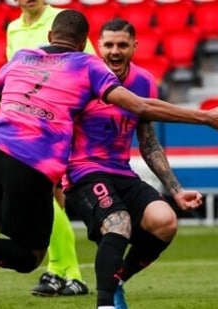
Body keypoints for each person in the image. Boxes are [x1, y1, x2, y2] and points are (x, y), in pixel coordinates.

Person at [0, 10, 218, 308]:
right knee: (30, 256)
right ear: (87, 44)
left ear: (51, 33)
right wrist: (205, 117)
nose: (114, 51)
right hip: (31, 161)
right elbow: (139, 106)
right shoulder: (86, 65)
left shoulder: (21, 58)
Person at [63, 18, 205, 309]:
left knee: (165, 222)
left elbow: (149, 142)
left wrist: (175, 190)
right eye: (109, 44)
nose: (115, 51)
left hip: (121, 171)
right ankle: (106, 304)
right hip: (83, 171)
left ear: (134, 46)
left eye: (122, 45)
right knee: (119, 222)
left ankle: (116, 280)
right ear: (98, 45)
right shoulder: (81, 77)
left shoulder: (144, 82)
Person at [6, 0, 94, 296]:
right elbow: (12, 75)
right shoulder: (13, 29)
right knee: (47, 197)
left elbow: (89, 67)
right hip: (27, 127)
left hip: (59, 125)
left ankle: (62, 271)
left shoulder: (63, 22)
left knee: (46, 195)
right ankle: (64, 273)